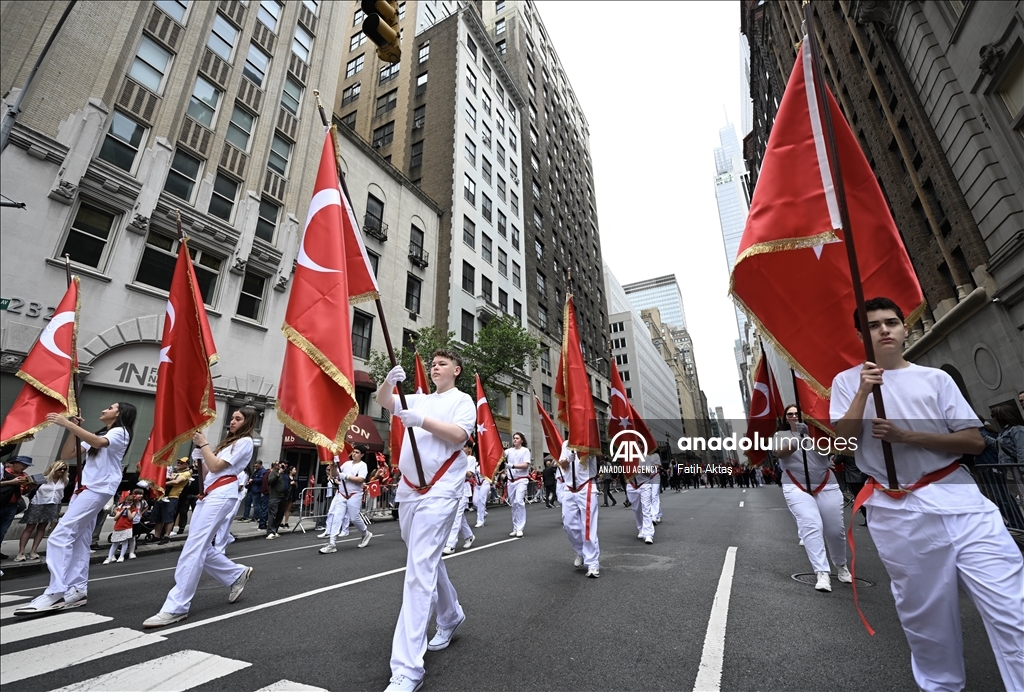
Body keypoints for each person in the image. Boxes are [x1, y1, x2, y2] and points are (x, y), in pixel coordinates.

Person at [831, 297, 1024, 692]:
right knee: (927, 621)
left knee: (1013, 608)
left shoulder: (935, 379)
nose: (884, 330)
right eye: (872, 325)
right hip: (897, 512)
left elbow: (973, 441)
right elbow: (843, 444)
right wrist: (864, 393)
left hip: (963, 504)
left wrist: (907, 436)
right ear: (859, 336)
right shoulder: (847, 382)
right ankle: (941, 686)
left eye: (892, 322)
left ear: (904, 329)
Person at [376, 350, 475, 692]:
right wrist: (389, 381)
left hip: (442, 488)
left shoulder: (463, 401)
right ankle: (450, 615)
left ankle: (408, 669)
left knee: (418, 570)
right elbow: (385, 400)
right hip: (408, 489)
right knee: (425, 560)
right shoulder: (416, 397)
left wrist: (419, 421)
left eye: (443, 363)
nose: (435, 367)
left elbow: (460, 436)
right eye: (432, 364)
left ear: (456, 370)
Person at [15, 402, 136, 614]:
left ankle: (55, 593)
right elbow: (68, 454)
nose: (104, 409)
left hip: (97, 488)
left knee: (60, 535)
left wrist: (68, 425)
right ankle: (78, 589)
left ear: (120, 414)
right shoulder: (100, 433)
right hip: (85, 488)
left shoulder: (121, 432)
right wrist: (71, 428)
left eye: (110, 407)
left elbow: (99, 442)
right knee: (80, 539)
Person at [143, 408, 257, 627]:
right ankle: (236, 574)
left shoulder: (245, 443)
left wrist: (204, 445)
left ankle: (176, 607)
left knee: (194, 547)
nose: (232, 422)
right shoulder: (227, 443)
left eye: (238, 419)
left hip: (223, 494)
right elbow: (208, 473)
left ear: (248, 422)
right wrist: (199, 453)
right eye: (232, 418)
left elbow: (216, 466)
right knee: (199, 545)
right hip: (210, 493)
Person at [774, 405, 849, 592]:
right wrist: (796, 442)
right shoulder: (779, 436)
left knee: (835, 529)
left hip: (825, 483)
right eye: (789, 414)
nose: (793, 416)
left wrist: (812, 437)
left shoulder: (820, 434)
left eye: (797, 413)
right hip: (795, 484)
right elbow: (779, 453)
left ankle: (841, 565)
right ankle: (822, 572)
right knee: (811, 524)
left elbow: (834, 450)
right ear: (786, 418)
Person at [558, 439, 600, 578]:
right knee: (568, 525)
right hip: (569, 489)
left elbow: (595, 455)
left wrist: (580, 449)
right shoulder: (565, 444)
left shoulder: (589, 440)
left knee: (587, 526)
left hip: (586, 486)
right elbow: (562, 465)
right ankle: (581, 552)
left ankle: (592, 563)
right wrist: (569, 457)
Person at [319, 446, 373, 553]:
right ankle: (332, 543)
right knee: (337, 517)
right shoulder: (346, 464)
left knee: (354, 518)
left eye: (357, 452)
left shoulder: (363, 465)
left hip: (354, 494)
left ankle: (365, 533)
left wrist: (346, 476)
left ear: (362, 455)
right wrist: (334, 464)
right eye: (353, 452)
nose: (354, 454)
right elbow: (334, 474)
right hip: (342, 494)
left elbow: (361, 479)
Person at [15, 461, 67, 561]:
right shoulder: (42, 478)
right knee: (30, 528)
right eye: (60, 468)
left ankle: (33, 551)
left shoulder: (64, 480)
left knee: (42, 528)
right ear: (54, 468)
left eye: (64, 469)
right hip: (38, 503)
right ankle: (21, 552)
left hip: (54, 505)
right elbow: (28, 489)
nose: (62, 471)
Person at [443, 441, 476, 554]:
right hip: (452, 488)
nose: (462, 448)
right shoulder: (454, 457)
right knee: (458, 515)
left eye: (465, 446)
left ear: (469, 449)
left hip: (463, 489)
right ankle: (469, 536)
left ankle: (451, 544)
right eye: (461, 446)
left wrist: (459, 468)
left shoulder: (470, 459)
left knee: (456, 516)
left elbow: (469, 474)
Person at [1, 455, 35, 559]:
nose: (24, 467)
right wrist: (12, 482)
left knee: (2, 530)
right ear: (15, 463)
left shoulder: (24, 476)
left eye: (27, 466)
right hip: (1, 503)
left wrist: (29, 488)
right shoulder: (3, 471)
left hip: (12, 505)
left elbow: (22, 492)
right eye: (23, 465)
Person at [154, 458, 190, 545]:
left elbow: (176, 482)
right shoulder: (173, 471)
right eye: (178, 462)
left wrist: (161, 483)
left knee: (168, 517)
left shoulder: (186, 473)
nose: (178, 464)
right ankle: (156, 536)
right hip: (162, 496)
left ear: (186, 465)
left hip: (172, 497)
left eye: (181, 463)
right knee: (159, 517)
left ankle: (167, 536)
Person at [626, 452, 659, 545]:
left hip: (644, 484)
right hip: (631, 485)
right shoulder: (627, 456)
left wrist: (638, 468)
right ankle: (641, 528)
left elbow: (649, 473)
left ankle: (648, 534)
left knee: (646, 509)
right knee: (636, 509)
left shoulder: (646, 457)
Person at [103, 491, 141, 564]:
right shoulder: (121, 509)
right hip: (118, 527)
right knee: (114, 543)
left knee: (124, 542)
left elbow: (130, 518)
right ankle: (109, 557)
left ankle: (121, 556)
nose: (128, 504)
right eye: (127, 502)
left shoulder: (134, 509)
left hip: (127, 527)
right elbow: (115, 518)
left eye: (130, 503)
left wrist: (129, 509)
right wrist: (122, 510)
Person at [506, 432, 531, 537]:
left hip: (521, 480)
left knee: (519, 501)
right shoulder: (509, 451)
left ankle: (520, 528)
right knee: (513, 504)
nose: (515, 440)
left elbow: (525, 465)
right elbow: (500, 454)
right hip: (511, 481)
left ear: (521, 440)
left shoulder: (525, 451)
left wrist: (513, 466)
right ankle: (515, 527)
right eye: (514, 438)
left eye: (517, 438)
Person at [265, 461, 289, 539]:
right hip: (275, 496)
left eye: (285, 465)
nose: (284, 466)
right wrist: (278, 473)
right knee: (273, 514)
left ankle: (275, 530)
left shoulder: (285, 475)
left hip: (283, 497)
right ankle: (270, 532)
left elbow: (288, 484)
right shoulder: (274, 472)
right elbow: (270, 481)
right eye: (282, 464)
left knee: (280, 514)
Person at [473, 449, 491, 528]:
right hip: (477, 484)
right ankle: (483, 513)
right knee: (475, 502)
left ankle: (480, 521)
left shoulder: (486, 464)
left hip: (484, 483)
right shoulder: (475, 464)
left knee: (481, 500)